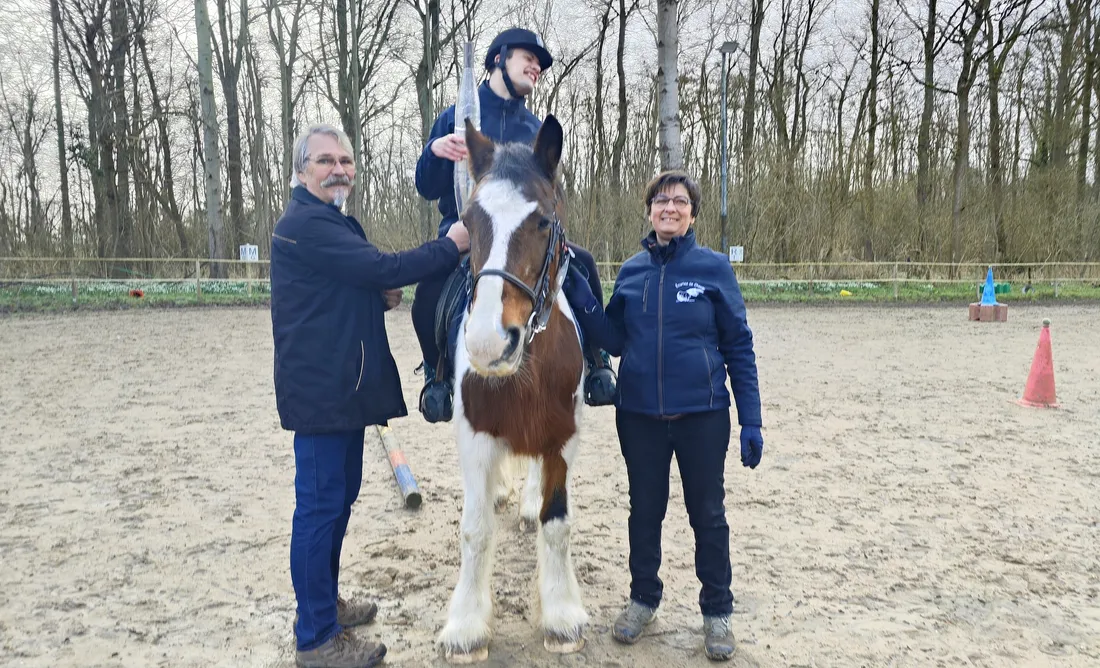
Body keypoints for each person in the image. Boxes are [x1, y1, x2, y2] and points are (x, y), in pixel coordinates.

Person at [270, 123, 470, 668]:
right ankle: (315, 638)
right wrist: (450, 246)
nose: (339, 169)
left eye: (346, 161)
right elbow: (384, 266)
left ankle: (323, 606)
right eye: (326, 161)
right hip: (322, 394)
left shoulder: (328, 221)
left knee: (336, 504)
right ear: (300, 171)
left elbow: (351, 284)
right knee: (318, 510)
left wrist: (378, 296)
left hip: (344, 389)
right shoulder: (306, 224)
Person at [561, 170, 764, 662]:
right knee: (644, 512)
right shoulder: (631, 271)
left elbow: (739, 344)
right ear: (649, 209)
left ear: (692, 212)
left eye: (679, 201)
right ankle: (643, 597)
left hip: (703, 414)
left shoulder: (714, 269)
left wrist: (750, 418)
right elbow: (612, 339)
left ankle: (717, 611)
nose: (668, 208)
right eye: (660, 200)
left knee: (708, 516)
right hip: (640, 416)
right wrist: (583, 294)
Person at [412, 27, 616, 423]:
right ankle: (437, 375)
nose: (536, 66)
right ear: (497, 59)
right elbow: (426, 186)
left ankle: (596, 359)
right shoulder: (457, 118)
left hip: (525, 239)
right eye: (529, 57)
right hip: (467, 232)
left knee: (585, 265)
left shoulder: (535, 129)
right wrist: (435, 152)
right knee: (427, 293)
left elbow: (552, 196)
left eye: (539, 62)